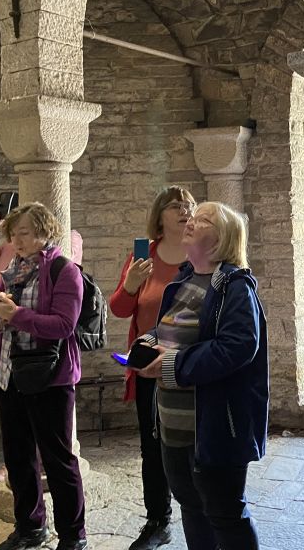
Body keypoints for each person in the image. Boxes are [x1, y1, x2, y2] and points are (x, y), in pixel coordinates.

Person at [132, 201, 268, 550]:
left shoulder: (234, 287)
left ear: (222, 238)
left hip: (215, 426)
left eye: (204, 219)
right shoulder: (185, 279)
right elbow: (172, 330)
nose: (191, 221)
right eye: (193, 216)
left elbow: (237, 347)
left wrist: (172, 365)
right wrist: (149, 342)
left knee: (225, 514)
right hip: (174, 425)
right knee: (191, 507)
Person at [0, 202, 89, 550]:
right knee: (17, 457)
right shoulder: (10, 270)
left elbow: (64, 325)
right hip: (10, 374)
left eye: (24, 233)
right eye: (13, 234)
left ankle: (73, 536)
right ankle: (30, 527)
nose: (17, 240)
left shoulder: (63, 270)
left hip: (51, 378)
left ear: (44, 231)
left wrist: (16, 314)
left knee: (58, 460)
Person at [109, 186, 196, 550]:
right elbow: (119, 309)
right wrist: (130, 284)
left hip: (191, 366)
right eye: (175, 206)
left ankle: (201, 515)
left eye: (188, 205)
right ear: (160, 216)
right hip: (148, 368)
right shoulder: (143, 254)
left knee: (193, 445)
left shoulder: (201, 252)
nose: (184, 210)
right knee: (153, 445)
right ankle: (158, 520)